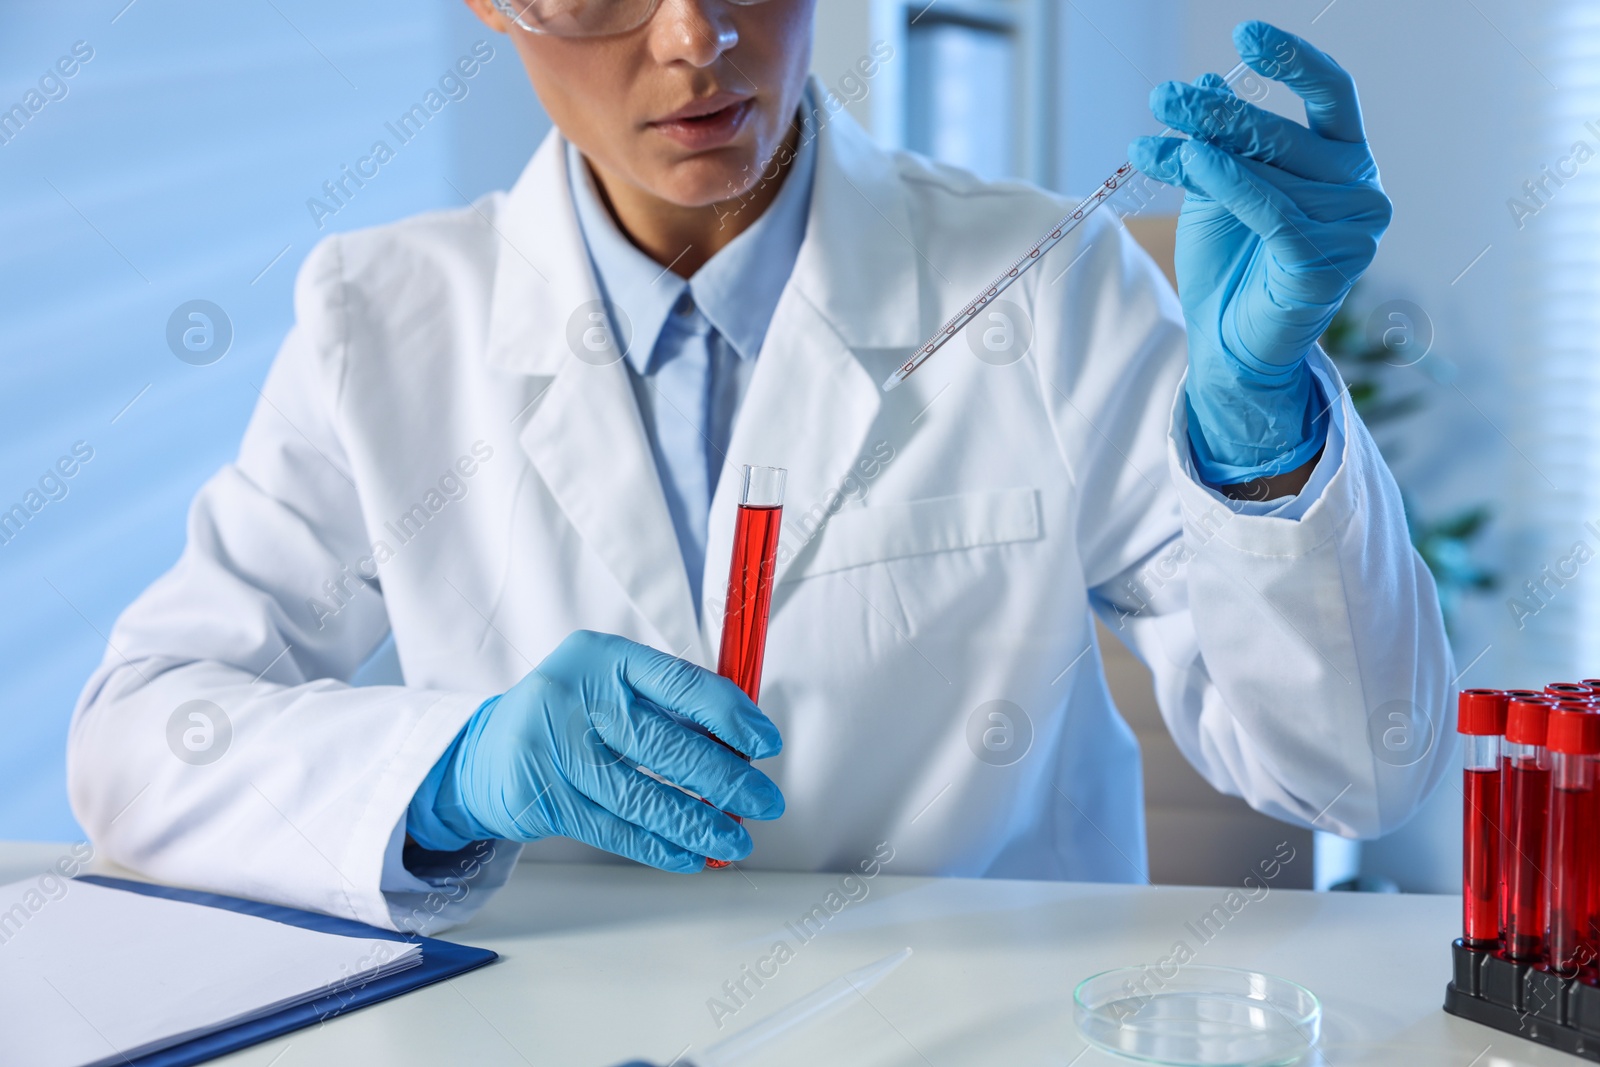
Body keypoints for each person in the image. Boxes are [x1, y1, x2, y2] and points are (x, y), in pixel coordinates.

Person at [68, 0, 1450, 933]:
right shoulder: (380, 321)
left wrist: (1263, 434)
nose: (695, 39)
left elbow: (1355, 776)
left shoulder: (1050, 288)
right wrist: (456, 769)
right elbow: (139, 741)